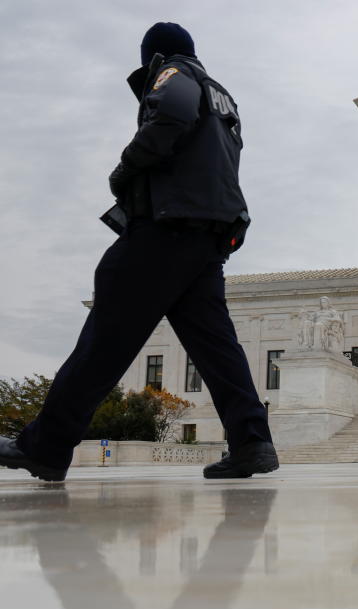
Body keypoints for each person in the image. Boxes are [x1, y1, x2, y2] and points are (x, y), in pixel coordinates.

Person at [0, 22, 279, 481]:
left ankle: (46, 446)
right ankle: (252, 441)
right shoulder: (224, 98)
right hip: (208, 235)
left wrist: (127, 167)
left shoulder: (173, 74)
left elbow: (171, 113)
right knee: (216, 346)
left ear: (154, 56)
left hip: (166, 228)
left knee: (104, 338)